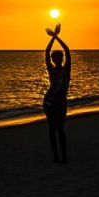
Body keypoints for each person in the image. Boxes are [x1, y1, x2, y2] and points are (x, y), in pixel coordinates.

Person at [43, 23, 71, 164]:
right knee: (51, 129)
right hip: (49, 102)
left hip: (60, 102)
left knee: (60, 129)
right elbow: (47, 53)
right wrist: (52, 38)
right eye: (56, 59)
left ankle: (64, 156)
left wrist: (56, 36)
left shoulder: (66, 69)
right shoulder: (51, 69)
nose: (58, 60)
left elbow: (67, 50)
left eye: (60, 58)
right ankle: (55, 156)